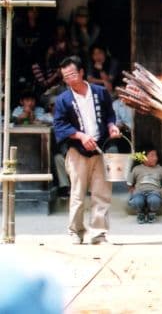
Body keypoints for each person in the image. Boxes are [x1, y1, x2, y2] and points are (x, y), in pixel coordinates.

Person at [53, 56, 120, 244]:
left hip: (101, 147)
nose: (70, 79)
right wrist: (80, 136)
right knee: (77, 193)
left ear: (82, 72)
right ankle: (75, 231)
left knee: (102, 193)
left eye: (73, 74)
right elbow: (59, 125)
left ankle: (99, 233)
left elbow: (110, 114)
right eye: (66, 77)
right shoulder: (63, 100)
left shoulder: (100, 92)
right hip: (77, 150)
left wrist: (112, 126)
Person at [127, 145, 162, 224]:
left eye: (156, 155)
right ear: (143, 157)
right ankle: (140, 213)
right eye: (152, 155)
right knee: (137, 201)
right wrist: (132, 191)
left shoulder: (160, 169)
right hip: (139, 192)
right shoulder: (137, 168)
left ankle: (152, 213)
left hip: (154, 192)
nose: (155, 158)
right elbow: (129, 183)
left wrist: (161, 192)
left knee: (154, 200)